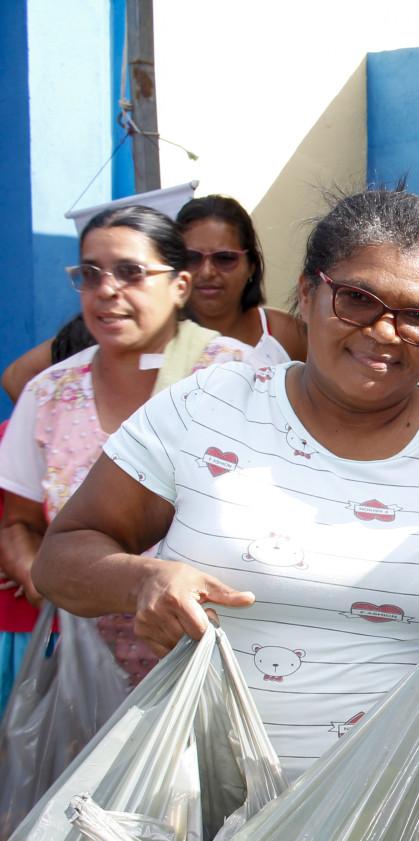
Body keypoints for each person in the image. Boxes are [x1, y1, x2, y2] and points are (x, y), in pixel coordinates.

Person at [31, 189, 419, 778]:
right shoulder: (208, 406)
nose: (384, 331)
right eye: (356, 299)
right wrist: (143, 580)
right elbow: (61, 558)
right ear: (308, 292)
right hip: (210, 803)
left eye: (418, 316)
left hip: (410, 814)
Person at [0, 204, 253, 684]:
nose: (107, 289)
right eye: (90, 274)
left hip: (220, 661)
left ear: (180, 285)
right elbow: (19, 523)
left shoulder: (239, 378)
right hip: (85, 675)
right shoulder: (50, 393)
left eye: (130, 272)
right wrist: (53, 584)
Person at [176, 194, 307, 367]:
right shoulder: (158, 339)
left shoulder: (288, 335)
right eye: (193, 258)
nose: (207, 272)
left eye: (224, 258)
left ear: (251, 266)